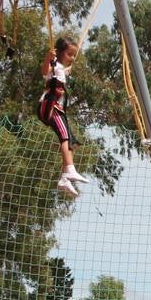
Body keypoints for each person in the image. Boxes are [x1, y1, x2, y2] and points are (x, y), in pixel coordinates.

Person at [38, 35, 90, 197]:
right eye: (69, 54)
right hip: (49, 107)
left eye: (74, 55)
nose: (72, 58)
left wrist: (67, 68)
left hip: (58, 109)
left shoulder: (61, 69)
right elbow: (44, 71)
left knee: (71, 142)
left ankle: (64, 178)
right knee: (64, 136)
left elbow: (64, 70)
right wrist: (48, 58)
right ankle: (69, 169)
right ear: (59, 53)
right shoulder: (54, 66)